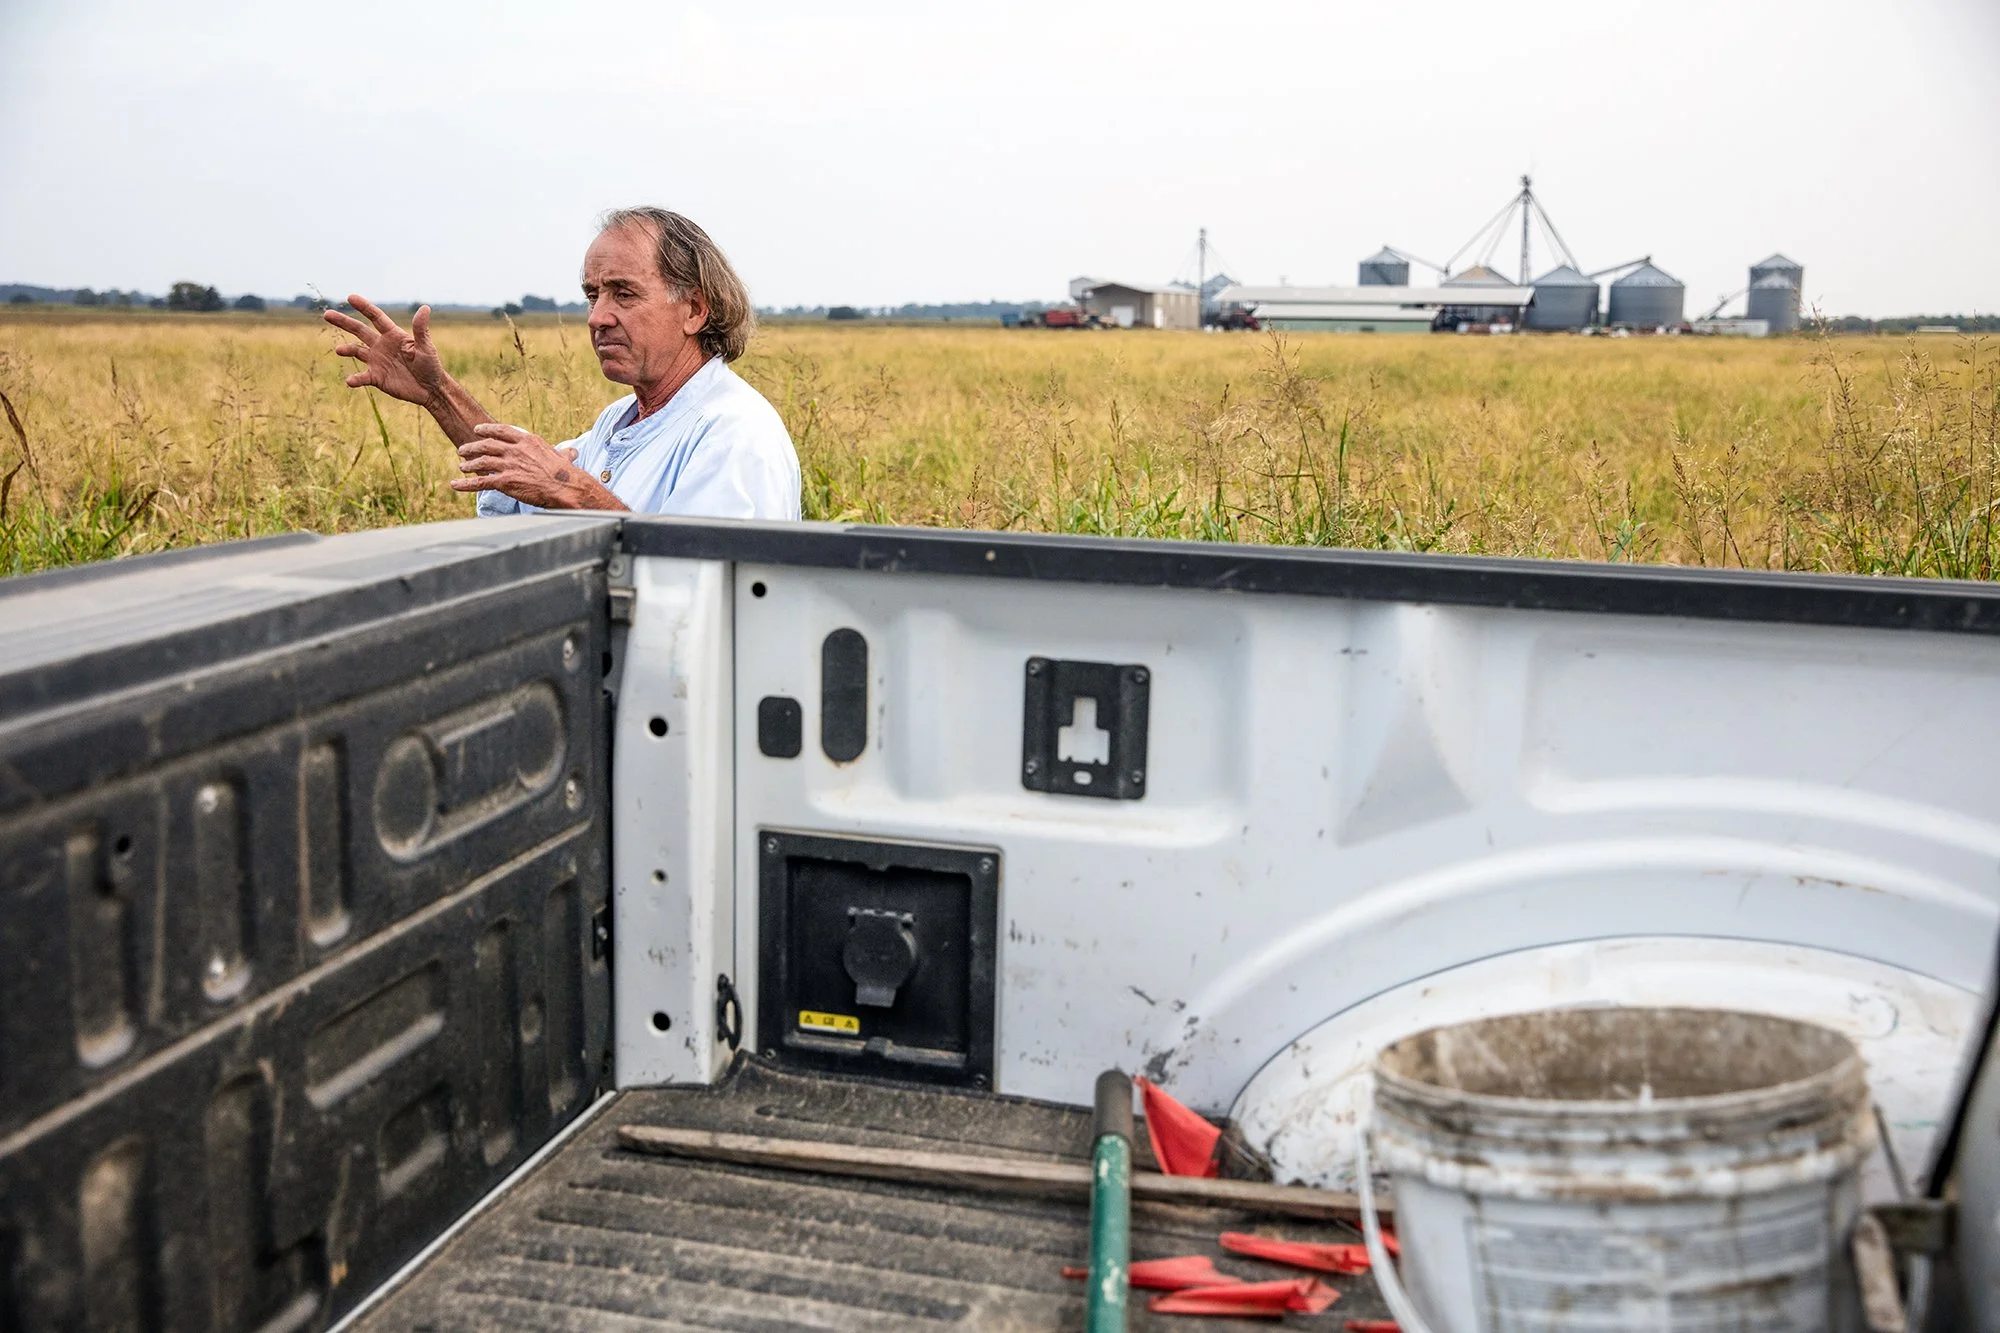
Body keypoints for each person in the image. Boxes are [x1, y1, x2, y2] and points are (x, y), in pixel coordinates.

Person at [325, 207, 800, 520]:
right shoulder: (620, 421)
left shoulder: (735, 434)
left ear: (695, 309)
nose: (597, 318)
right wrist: (437, 393)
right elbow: (520, 485)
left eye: (624, 293)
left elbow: (704, 590)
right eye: (592, 295)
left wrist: (570, 489)